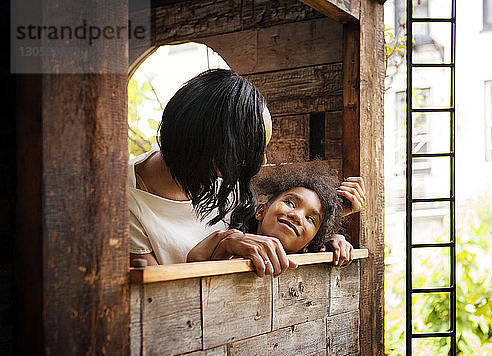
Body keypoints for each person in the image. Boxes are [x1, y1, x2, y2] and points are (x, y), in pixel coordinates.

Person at [129, 69, 365, 275]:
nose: (263, 161)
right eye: (252, 151)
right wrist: (224, 243)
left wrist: (325, 238)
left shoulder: (224, 182)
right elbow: (157, 303)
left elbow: (265, 231)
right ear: (214, 145)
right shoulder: (121, 204)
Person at [186, 165, 356, 276]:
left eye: (310, 218)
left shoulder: (315, 251)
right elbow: (193, 264)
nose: (297, 216)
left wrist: (335, 238)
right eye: (290, 203)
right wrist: (226, 242)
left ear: (308, 244)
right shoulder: (230, 243)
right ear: (261, 211)